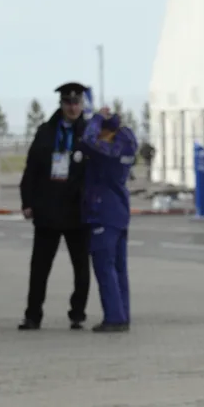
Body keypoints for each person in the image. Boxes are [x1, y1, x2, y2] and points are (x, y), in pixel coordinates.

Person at [18, 82, 91, 330]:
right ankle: (33, 314)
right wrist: (27, 201)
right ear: (61, 104)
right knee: (40, 267)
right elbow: (32, 169)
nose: (73, 107)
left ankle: (78, 312)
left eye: (77, 103)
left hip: (77, 210)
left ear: (82, 105)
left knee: (81, 266)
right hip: (48, 207)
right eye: (68, 103)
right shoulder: (46, 132)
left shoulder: (90, 133)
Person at [79, 108, 136, 332]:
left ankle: (114, 317)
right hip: (119, 211)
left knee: (105, 267)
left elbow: (88, 140)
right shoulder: (127, 144)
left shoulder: (106, 150)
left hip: (103, 210)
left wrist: (95, 118)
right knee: (119, 268)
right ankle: (122, 313)